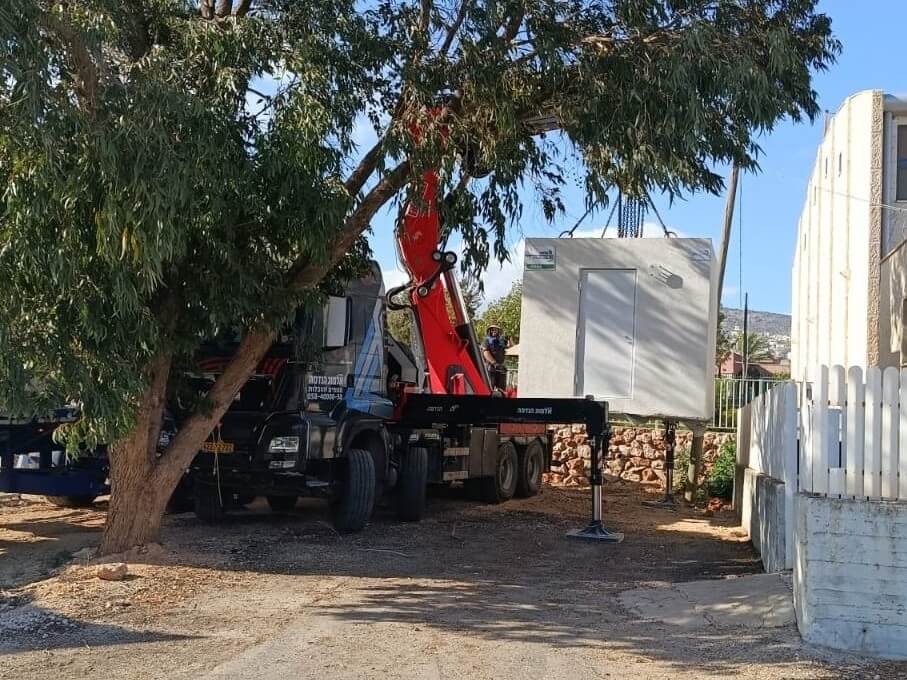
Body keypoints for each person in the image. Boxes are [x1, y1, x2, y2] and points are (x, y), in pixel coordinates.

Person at [481, 324, 508, 391]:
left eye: (496, 329)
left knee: (502, 390)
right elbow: (485, 352)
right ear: (490, 331)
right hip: (491, 368)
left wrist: (510, 339)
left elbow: (510, 347)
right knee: (489, 389)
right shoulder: (486, 340)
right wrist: (495, 363)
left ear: (498, 331)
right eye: (492, 329)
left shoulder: (502, 340)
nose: (494, 331)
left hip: (501, 368)